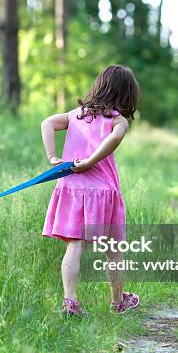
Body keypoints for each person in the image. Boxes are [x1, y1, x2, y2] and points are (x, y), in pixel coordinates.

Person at [41, 65, 141, 316]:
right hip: (102, 193)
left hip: (72, 189)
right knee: (113, 249)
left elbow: (47, 123)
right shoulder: (118, 121)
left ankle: (70, 301)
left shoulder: (76, 115)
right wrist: (90, 162)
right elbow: (113, 139)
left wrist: (53, 157)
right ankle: (118, 302)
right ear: (127, 94)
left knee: (75, 246)